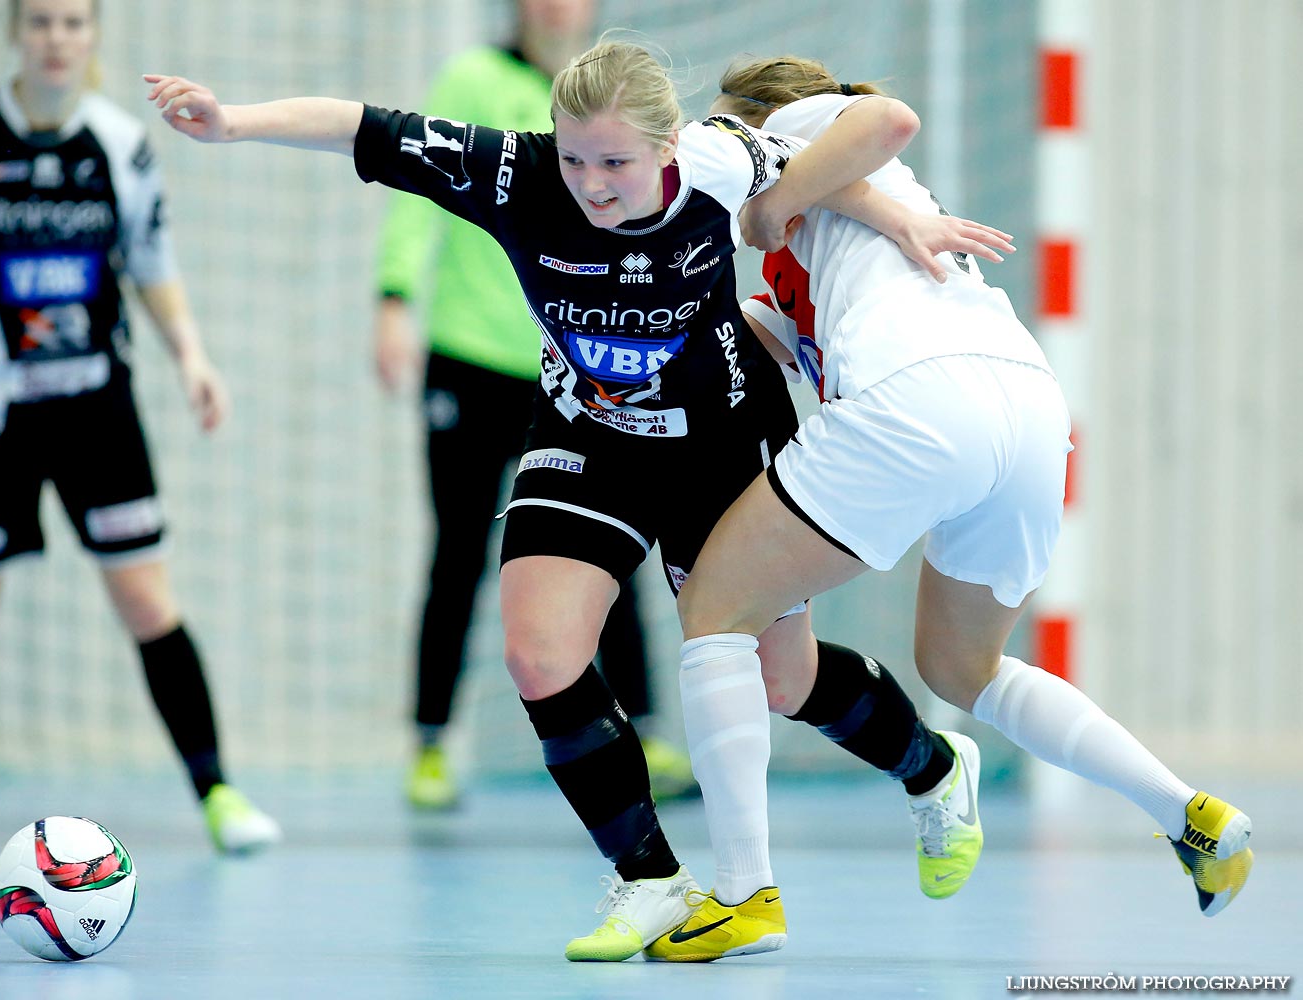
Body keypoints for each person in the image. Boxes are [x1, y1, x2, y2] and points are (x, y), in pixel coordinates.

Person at [143, 35, 1008, 960]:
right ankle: (650, 881)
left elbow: (868, 133)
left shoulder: (720, 157)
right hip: (586, 434)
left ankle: (932, 763)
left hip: (720, 440)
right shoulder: (512, 175)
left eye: (617, 164)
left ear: (669, 148)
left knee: (779, 680)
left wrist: (885, 216)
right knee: (538, 652)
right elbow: (366, 129)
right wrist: (232, 123)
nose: (594, 185)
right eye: (576, 158)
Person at [647, 54, 1255, 959]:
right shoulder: (824, 248)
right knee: (962, 668)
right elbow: (754, 333)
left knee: (715, 610)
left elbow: (887, 117)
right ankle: (1191, 817)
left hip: (918, 396)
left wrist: (765, 198)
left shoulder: (801, 132)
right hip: (1025, 408)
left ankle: (744, 895)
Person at [0, 0, 280, 854]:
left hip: (95, 411)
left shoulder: (119, 142)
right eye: (40, 22)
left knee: (148, 600)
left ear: (94, 35)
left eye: (74, 22)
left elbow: (151, 263)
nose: (56, 38)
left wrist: (191, 356)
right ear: (15, 32)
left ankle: (218, 793)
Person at [373, 0, 696, 810]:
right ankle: (431, 745)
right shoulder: (475, 78)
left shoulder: (614, 106)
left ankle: (644, 733)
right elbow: (416, 186)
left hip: (577, 371)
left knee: (607, 551)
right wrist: (393, 294)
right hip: (470, 358)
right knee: (458, 551)